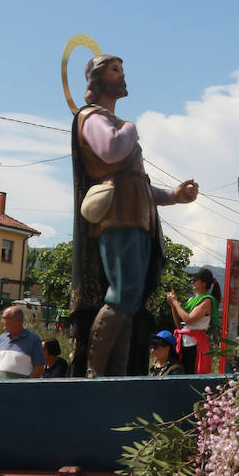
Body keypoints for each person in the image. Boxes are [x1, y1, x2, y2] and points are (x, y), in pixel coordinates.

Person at [70, 54, 198, 377]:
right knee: (122, 295)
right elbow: (112, 149)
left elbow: (143, 188)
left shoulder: (112, 122)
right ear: (97, 79)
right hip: (117, 218)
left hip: (138, 220)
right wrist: (131, 128)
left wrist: (176, 196)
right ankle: (95, 370)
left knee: (130, 304)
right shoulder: (94, 119)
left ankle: (118, 372)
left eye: (122, 70)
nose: (122, 76)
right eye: (115, 70)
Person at [167, 269, 221, 374]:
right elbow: (180, 324)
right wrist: (173, 306)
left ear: (204, 283)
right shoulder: (190, 300)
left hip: (196, 345)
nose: (192, 281)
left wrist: (176, 302)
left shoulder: (207, 301)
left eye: (195, 279)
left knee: (194, 375)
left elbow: (188, 319)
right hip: (183, 343)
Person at [0, 305, 45, 379]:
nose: (1, 321)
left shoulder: (33, 339)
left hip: (20, 390)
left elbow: (39, 368)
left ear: (15, 321)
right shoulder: (2, 338)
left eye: (4, 318)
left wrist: (24, 386)